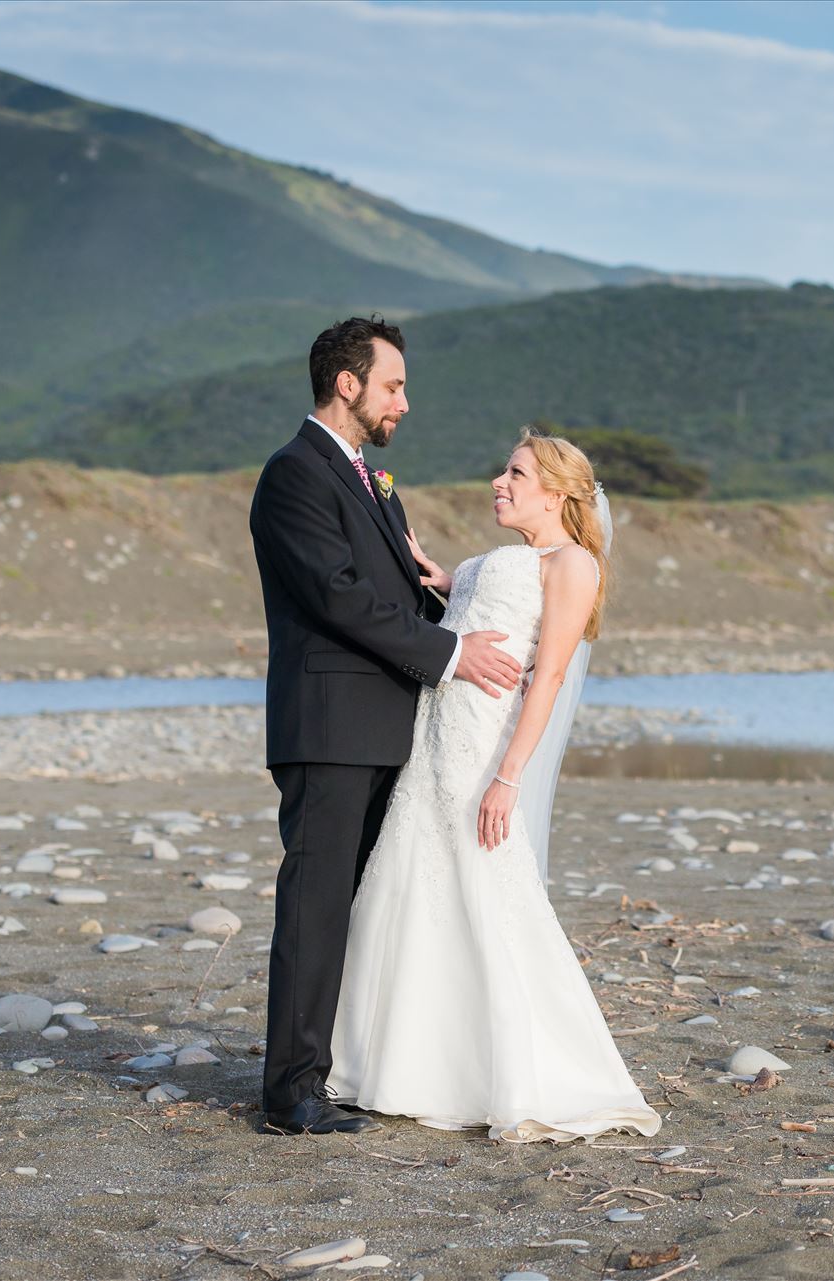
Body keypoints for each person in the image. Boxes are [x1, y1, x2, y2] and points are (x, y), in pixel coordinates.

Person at [325, 426, 662, 1143]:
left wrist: (509, 776)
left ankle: (520, 1071)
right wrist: (449, 578)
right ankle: (396, 1066)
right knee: (413, 887)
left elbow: (549, 676)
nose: (497, 483)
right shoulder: (505, 558)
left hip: (483, 752)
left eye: (515, 474)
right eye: (502, 471)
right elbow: (476, 618)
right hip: (433, 743)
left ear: (559, 493)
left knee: (487, 894)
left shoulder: (572, 563)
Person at [248, 316, 522, 1137]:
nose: (405, 399)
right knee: (316, 904)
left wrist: (457, 602)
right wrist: (450, 653)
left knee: (362, 906)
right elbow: (336, 596)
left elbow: (394, 595)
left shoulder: (374, 480)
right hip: (328, 725)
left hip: (384, 725)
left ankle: (339, 1067)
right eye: (394, 384)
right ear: (348, 384)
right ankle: (289, 1091)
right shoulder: (294, 474)